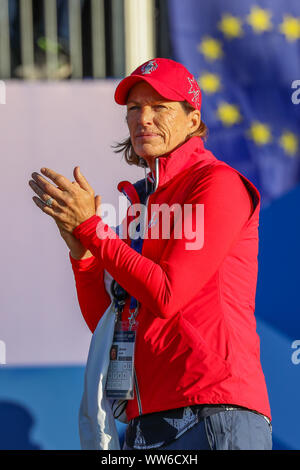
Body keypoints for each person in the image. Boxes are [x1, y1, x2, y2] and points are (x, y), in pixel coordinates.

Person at [29, 58, 272, 450]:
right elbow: (108, 324)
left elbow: (166, 294)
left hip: (213, 410)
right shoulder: (141, 202)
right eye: (134, 109)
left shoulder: (218, 184)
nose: (144, 118)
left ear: (193, 120)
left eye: (160, 107)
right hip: (145, 419)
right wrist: (84, 256)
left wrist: (94, 230)